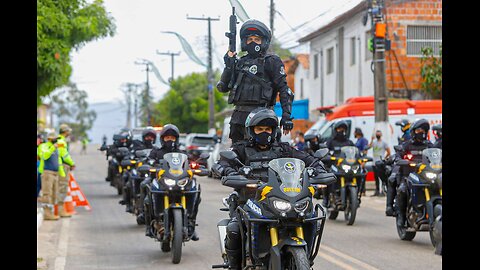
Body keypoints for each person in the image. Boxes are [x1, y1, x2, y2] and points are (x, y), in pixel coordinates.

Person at [214, 108, 328, 270]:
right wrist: (227, 171)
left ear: (274, 131)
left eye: (268, 129)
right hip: (250, 200)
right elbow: (222, 163)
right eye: (260, 129)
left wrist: (319, 169)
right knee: (234, 229)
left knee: (310, 218)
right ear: (251, 130)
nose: (264, 133)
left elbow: (307, 160)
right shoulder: (240, 149)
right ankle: (235, 266)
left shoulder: (283, 149)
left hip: (282, 197)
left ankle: (304, 258)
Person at [216, 19, 294, 144]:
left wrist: (286, 117)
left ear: (264, 42)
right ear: (244, 42)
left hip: (263, 117)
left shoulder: (271, 61)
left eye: (257, 40)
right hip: (239, 119)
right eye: (250, 40)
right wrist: (228, 66)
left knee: (266, 155)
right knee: (237, 156)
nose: (253, 43)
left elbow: (285, 90)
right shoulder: (239, 62)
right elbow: (222, 88)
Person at [139, 124, 200, 241]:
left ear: (176, 139)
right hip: (161, 181)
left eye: (172, 138)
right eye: (167, 138)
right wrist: (148, 164)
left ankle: (191, 223)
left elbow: (191, 163)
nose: (170, 140)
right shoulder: (156, 152)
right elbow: (148, 161)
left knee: (194, 189)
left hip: (180, 181)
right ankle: (148, 221)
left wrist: (196, 166)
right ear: (162, 139)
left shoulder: (182, 153)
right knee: (146, 188)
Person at [387, 119, 433, 227]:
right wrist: (400, 160)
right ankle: (401, 217)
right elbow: (398, 155)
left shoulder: (429, 145)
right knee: (402, 190)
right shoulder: (406, 145)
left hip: (425, 176)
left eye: (423, 130)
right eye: (418, 130)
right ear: (413, 132)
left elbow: (437, 155)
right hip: (408, 175)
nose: (421, 132)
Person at [119, 128, 157, 211]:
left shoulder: (156, 149)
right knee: (128, 181)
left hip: (151, 171)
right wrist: (129, 159)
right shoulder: (137, 147)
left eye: (151, 137)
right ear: (144, 137)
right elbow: (129, 154)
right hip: (139, 170)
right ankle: (128, 203)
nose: (149, 139)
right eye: (147, 137)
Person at [323, 121, 355, 207]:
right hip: (334, 165)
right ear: (336, 130)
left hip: (346, 166)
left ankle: (357, 195)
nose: (342, 130)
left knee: (361, 173)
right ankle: (327, 198)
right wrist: (327, 156)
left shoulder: (349, 142)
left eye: (343, 129)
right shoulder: (330, 142)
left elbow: (355, 152)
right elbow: (325, 151)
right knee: (329, 177)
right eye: (339, 128)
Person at [37, 132, 65, 220]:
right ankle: (47, 213)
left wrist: (62, 173)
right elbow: (44, 156)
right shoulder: (44, 146)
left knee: (53, 194)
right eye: (54, 138)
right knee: (47, 194)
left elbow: (58, 161)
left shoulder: (56, 148)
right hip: (47, 173)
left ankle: (51, 212)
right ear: (49, 139)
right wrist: (53, 147)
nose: (56, 140)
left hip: (55, 174)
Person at [56, 124, 75, 218]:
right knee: (62, 187)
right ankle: (60, 210)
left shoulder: (60, 140)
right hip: (62, 166)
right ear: (65, 132)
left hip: (61, 166)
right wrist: (72, 163)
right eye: (68, 131)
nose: (69, 133)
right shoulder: (61, 141)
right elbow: (64, 155)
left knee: (60, 187)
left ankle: (59, 209)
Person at [368, 130, 391, 197]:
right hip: (374, 163)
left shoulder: (384, 143)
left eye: (379, 134)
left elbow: (389, 151)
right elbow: (369, 147)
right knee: (376, 178)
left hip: (380, 163)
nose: (378, 135)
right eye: (377, 134)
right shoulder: (374, 143)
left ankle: (382, 191)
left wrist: (384, 158)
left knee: (381, 177)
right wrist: (371, 140)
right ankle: (377, 190)